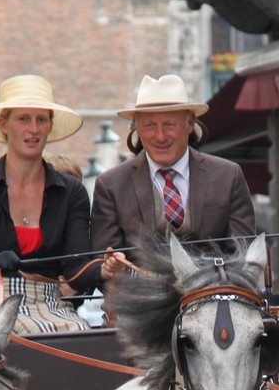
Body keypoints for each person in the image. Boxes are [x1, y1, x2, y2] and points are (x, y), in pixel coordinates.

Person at [0, 74, 95, 331]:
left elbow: (76, 265)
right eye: (23, 119)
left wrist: (104, 269)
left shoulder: (71, 191)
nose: (34, 129)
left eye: (41, 119)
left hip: (50, 301)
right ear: (3, 124)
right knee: (29, 336)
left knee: (81, 336)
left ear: (50, 126)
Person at [92, 73, 256, 285]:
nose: (160, 136)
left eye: (169, 125)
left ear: (190, 123)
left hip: (212, 301)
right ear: (137, 129)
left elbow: (242, 257)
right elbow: (103, 267)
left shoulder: (228, 176)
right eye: (149, 126)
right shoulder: (111, 185)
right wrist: (115, 268)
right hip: (140, 308)